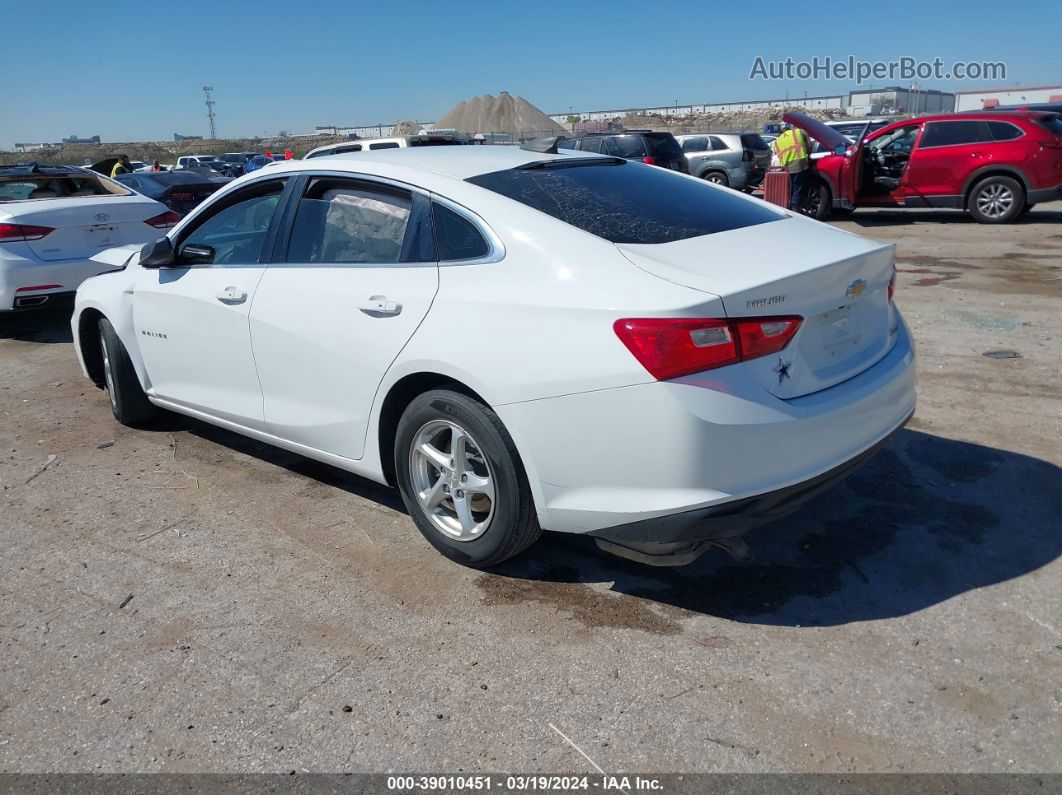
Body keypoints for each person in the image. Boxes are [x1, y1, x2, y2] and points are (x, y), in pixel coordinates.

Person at [770, 124, 812, 212]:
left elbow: (775, 153)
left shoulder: (777, 141)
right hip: (799, 162)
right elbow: (809, 146)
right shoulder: (799, 132)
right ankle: (795, 208)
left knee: (790, 187)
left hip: (785, 167)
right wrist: (808, 156)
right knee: (798, 186)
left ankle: (789, 207)